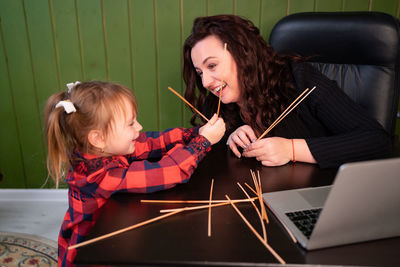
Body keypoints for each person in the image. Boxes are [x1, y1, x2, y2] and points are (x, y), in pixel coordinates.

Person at [44, 81, 225, 266]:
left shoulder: (100, 149)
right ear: (98, 138)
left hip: (112, 235)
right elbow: (169, 171)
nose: (139, 127)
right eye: (130, 123)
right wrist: (203, 141)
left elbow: (150, 142)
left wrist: (193, 133)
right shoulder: (101, 176)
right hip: (91, 252)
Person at [182, 14, 392, 168]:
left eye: (212, 66)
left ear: (242, 54)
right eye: (200, 72)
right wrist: (230, 138)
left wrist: (291, 149)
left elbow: (377, 140)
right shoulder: (216, 103)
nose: (206, 81)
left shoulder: (299, 78)